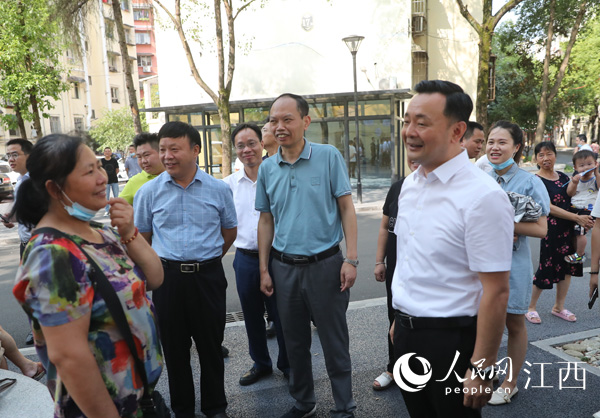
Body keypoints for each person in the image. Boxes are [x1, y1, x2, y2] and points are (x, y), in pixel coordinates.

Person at [11, 134, 164, 417]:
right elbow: (69, 358)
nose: (102, 178)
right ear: (55, 188)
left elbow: (154, 279)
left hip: (141, 400)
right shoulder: (52, 253)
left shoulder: (99, 232)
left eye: (99, 167)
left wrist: (129, 232)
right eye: (89, 171)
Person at [390, 80, 513, 418]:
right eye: (407, 121)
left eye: (422, 123)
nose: (409, 132)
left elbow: (497, 290)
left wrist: (482, 368)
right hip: (406, 335)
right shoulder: (410, 185)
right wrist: (401, 318)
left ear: (457, 130)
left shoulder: (482, 196)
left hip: (451, 342)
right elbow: (410, 258)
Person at [257, 93, 358, 418]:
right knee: (294, 342)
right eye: (274, 120)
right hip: (283, 268)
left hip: (325, 265)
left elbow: (346, 208)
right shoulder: (267, 168)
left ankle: (344, 406)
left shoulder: (328, 156)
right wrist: (264, 269)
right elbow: (266, 220)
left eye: (287, 119)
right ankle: (304, 402)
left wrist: (351, 259)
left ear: (305, 121)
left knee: (334, 340)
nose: (279, 126)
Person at [135, 121, 237, 418]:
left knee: (211, 346)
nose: (167, 156)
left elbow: (229, 232)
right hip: (167, 280)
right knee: (174, 350)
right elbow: (143, 239)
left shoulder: (218, 189)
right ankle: (183, 410)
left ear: (195, 150)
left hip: (208, 278)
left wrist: (206, 259)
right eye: (163, 149)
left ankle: (215, 407)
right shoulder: (148, 192)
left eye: (174, 149)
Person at [485, 120, 550, 405]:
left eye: (502, 142)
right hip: (481, 263)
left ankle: (510, 383)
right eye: (491, 141)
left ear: (516, 148)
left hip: (513, 264)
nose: (494, 147)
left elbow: (541, 229)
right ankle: (486, 374)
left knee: (513, 323)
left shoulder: (530, 182)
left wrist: (503, 224)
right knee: (485, 322)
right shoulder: (480, 178)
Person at [223, 123, 289, 386]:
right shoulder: (228, 185)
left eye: (252, 143)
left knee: (283, 315)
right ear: (235, 150)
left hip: (278, 257)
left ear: (262, 144)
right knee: (251, 316)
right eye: (240, 146)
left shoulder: (278, 176)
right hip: (245, 258)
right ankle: (261, 363)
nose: (247, 150)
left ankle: (288, 364)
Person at [528, 142, 591, 324]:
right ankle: (530, 307)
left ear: (555, 155)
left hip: (569, 229)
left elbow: (575, 198)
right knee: (545, 268)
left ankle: (559, 307)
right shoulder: (535, 180)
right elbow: (548, 207)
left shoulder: (564, 176)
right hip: (550, 230)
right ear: (536, 159)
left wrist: (585, 217)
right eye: (541, 155)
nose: (545, 158)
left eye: (549, 154)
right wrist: (576, 217)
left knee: (568, 267)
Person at [372, 159, 419, 391]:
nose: (415, 159)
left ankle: (419, 369)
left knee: (421, 321)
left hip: (422, 271)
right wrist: (380, 261)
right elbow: (385, 227)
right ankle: (394, 367)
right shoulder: (398, 187)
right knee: (394, 316)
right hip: (396, 267)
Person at [2, 139, 35, 346]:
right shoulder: (22, 180)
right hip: (26, 243)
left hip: (38, 243)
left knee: (34, 290)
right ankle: (37, 328)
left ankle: (41, 330)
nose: (11, 159)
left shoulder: (37, 180)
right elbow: (26, 210)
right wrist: (12, 218)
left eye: (15, 154)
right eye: (8, 156)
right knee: (28, 289)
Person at [563, 150, 600, 264]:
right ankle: (577, 251)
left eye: (589, 164)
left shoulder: (595, 179)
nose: (586, 168)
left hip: (588, 210)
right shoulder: (575, 179)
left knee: (580, 231)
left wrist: (597, 174)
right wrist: (574, 183)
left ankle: (580, 254)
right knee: (574, 232)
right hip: (574, 208)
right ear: (575, 167)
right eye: (582, 165)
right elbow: (570, 193)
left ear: (595, 164)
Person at [119, 133, 164, 205]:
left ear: (161, 153)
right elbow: (118, 207)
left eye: (146, 155)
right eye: (139, 157)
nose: (143, 161)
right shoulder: (134, 182)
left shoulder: (176, 176)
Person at [101, 147, 119, 215]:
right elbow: (99, 170)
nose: (107, 152)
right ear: (104, 153)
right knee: (106, 197)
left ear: (111, 152)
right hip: (106, 182)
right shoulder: (101, 161)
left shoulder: (114, 160)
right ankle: (107, 210)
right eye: (106, 151)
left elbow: (117, 170)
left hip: (114, 181)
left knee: (116, 196)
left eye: (109, 151)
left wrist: (113, 175)